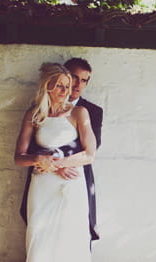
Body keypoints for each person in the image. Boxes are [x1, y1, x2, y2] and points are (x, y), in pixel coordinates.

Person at [12, 62, 146, 262]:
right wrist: (40, 160)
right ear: (46, 86)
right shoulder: (33, 115)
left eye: (67, 84)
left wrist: (59, 164)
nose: (64, 90)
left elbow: (89, 154)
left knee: (70, 252)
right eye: (57, 85)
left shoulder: (79, 113)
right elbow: (19, 156)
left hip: (70, 188)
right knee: (40, 250)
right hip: (41, 189)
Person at [20, 57, 102, 245]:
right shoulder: (35, 113)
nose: (76, 85)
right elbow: (31, 148)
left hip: (73, 176)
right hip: (42, 177)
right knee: (40, 235)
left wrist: (61, 164)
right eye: (74, 78)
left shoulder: (90, 111)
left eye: (84, 80)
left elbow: (90, 149)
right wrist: (53, 166)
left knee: (75, 236)